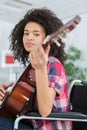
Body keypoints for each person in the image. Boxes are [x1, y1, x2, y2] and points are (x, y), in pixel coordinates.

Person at [0, 7, 72, 130]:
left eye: (36, 34)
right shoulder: (32, 66)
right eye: (26, 33)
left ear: (47, 39)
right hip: (27, 123)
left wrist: (41, 69)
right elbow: (25, 103)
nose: (29, 37)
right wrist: (8, 96)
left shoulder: (54, 64)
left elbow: (44, 111)